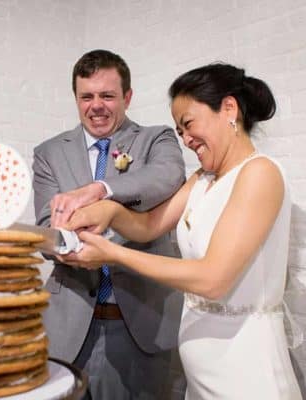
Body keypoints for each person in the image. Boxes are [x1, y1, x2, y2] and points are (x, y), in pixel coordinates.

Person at [62, 63, 302, 399]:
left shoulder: (259, 173)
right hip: (202, 373)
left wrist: (112, 253)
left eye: (188, 125)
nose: (186, 140)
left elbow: (212, 279)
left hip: (245, 367)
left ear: (228, 109)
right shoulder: (202, 180)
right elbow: (148, 226)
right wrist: (110, 211)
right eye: (179, 131)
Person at [33, 49, 186, 399]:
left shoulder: (156, 139)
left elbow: (165, 178)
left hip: (140, 323)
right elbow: (47, 225)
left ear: (127, 97)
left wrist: (102, 189)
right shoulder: (49, 153)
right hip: (67, 326)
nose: (96, 105)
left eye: (107, 95)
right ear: (76, 98)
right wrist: (64, 246)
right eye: (86, 96)